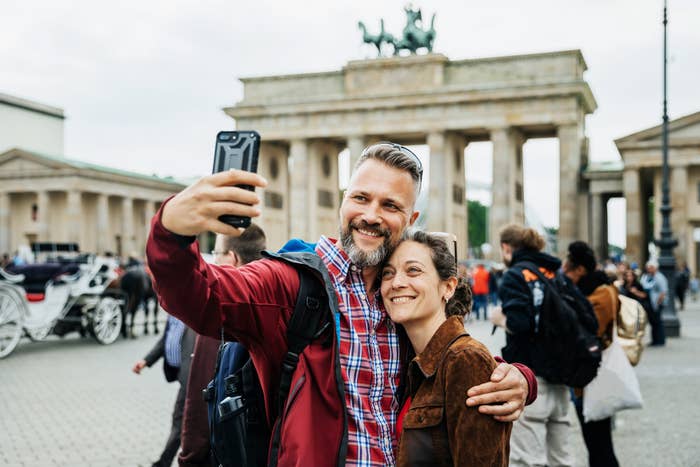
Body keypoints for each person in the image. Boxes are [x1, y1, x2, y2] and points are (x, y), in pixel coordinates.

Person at [147, 143, 536, 466]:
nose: (370, 215)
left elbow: (449, 354)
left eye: (390, 205)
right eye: (361, 198)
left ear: (411, 218)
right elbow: (204, 297)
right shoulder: (290, 284)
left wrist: (519, 377)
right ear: (343, 201)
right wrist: (171, 232)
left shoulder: (401, 294)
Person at [382, 230, 511, 466]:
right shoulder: (409, 360)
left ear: (448, 287)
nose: (397, 282)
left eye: (413, 270)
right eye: (387, 273)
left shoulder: (465, 360)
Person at [489, 226, 589, 466]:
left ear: (506, 247)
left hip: (530, 376)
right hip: (561, 374)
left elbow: (520, 324)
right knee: (562, 456)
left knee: (527, 458)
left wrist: (499, 319)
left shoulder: (515, 275)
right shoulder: (556, 273)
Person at [178, 225, 267, 467]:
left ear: (232, 257)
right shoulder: (274, 301)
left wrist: (189, 457)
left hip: (224, 450)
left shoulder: (222, 311)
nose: (213, 260)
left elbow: (199, 398)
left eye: (216, 253)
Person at [571, 244, 621, 467]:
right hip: (587, 373)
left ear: (580, 268)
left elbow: (590, 330)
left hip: (595, 373)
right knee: (595, 442)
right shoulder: (593, 289)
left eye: (567, 265)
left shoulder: (601, 292)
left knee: (599, 442)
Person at [133, 314, 196, 467]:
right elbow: (165, 340)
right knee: (180, 421)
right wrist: (147, 360)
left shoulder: (192, 312)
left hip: (192, 379)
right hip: (182, 376)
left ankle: (165, 462)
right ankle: (165, 461)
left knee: (180, 420)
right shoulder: (173, 314)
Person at [640, 260, 667, 346]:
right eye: (648, 267)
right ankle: (655, 340)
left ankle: (660, 341)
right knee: (653, 322)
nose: (649, 269)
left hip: (656, 304)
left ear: (655, 268)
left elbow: (663, 292)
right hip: (650, 303)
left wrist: (658, 303)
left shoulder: (660, 277)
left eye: (651, 267)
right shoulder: (648, 277)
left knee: (658, 323)